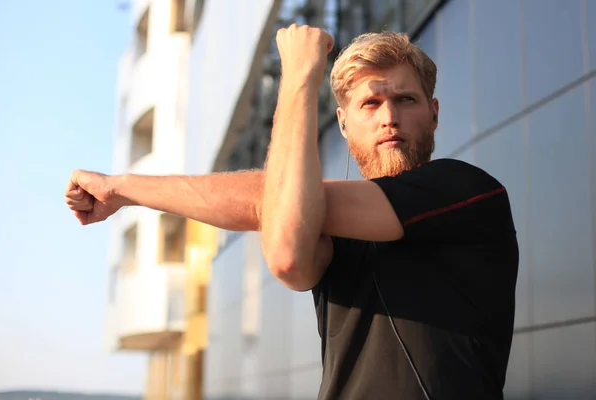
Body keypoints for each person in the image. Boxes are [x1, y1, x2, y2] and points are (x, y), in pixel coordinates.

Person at [65, 25, 518, 400]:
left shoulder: (467, 191)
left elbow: (278, 221)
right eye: (371, 103)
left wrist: (300, 74)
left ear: (434, 114)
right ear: (342, 123)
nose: (389, 117)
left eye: (406, 100)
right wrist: (119, 189)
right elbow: (287, 242)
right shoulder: (319, 219)